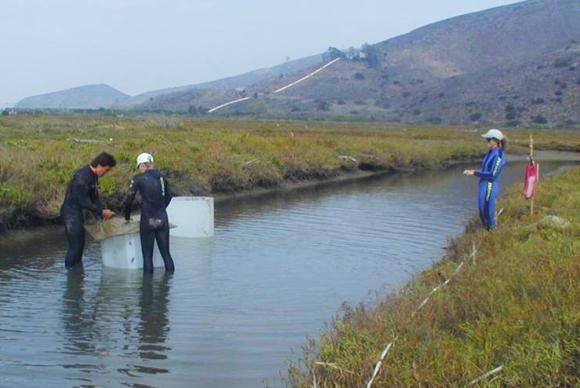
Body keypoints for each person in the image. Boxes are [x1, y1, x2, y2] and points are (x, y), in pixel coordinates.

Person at [61, 152, 116, 268]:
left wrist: (103, 211)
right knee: (75, 246)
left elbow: (94, 198)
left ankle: (77, 272)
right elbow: (84, 201)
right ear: (99, 165)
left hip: (77, 213)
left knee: (80, 245)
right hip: (70, 214)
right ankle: (70, 272)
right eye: (106, 170)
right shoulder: (82, 177)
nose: (106, 173)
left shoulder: (93, 176)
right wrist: (101, 212)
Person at [123, 153, 175, 273]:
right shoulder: (162, 177)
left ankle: (147, 289)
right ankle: (167, 287)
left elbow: (129, 199)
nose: (139, 169)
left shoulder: (138, 178)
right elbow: (169, 196)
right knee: (166, 255)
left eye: (139, 166)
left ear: (143, 165)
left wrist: (127, 217)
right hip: (162, 219)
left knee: (147, 257)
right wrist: (162, 208)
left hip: (147, 219)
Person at [464, 129, 508, 231]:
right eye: (486, 140)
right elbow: (485, 169)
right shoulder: (490, 153)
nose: (487, 142)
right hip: (483, 184)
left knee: (488, 210)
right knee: (482, 210)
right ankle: (487, 231)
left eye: (489, 140)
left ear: (496, 141)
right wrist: (473, 171)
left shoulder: (499, 155)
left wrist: (475, 173)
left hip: (490, 185)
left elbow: (492, 174)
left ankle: (492, 231)